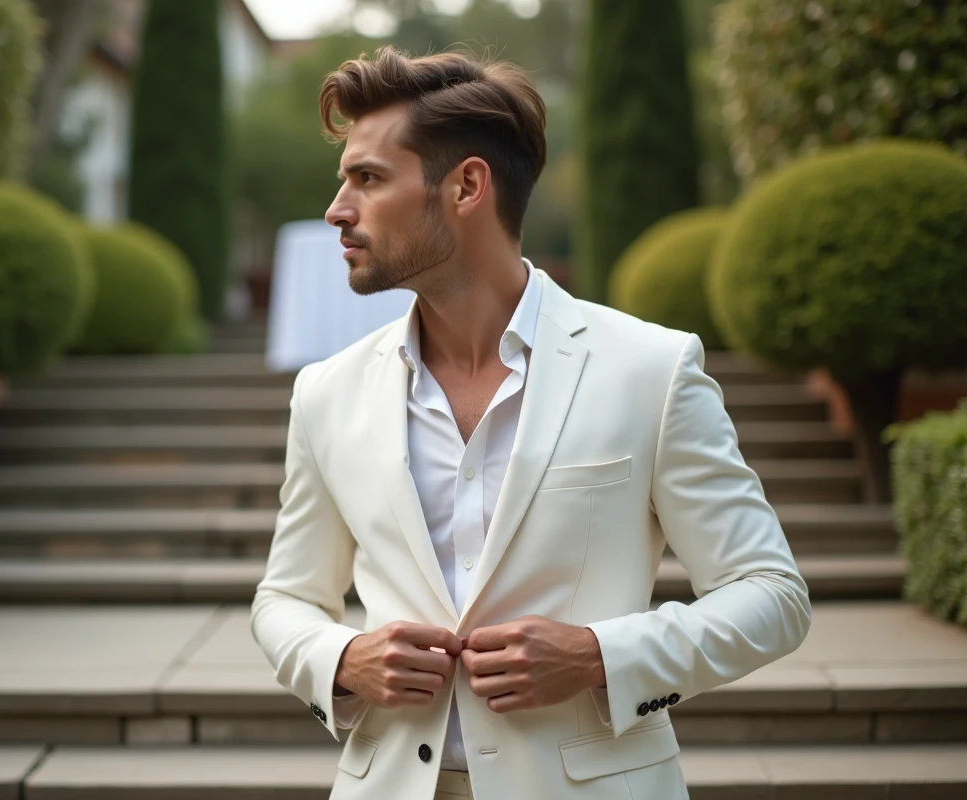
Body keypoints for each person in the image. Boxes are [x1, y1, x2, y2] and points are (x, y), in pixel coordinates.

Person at [250, 45, 812, 800]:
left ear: (467, 186)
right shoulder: (328, 392)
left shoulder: (651, 370)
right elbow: (284, 599)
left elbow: (771, 594)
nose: (337, 209)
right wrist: (342, 659)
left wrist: (598, 655)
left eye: (369, 178)